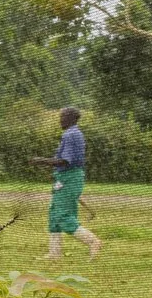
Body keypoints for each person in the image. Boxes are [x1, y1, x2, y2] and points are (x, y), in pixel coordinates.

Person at [32, 106, 102, 261]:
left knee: (63, 216)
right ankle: (54, 254)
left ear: (71, 118)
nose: (60, 120)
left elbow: (65, 160)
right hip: (65, 178)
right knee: (53, 214)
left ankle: (93, 241)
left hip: (69, 178)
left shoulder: (71, 135)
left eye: (62, 117)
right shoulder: (72, 133)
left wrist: (41, 161)